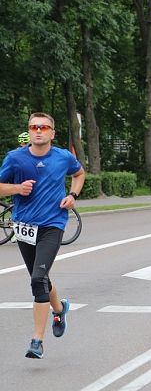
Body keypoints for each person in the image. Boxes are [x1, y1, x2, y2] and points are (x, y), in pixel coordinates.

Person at [0, 112, 85, 359]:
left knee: (38, 278)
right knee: (42, 276)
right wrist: (16, 188)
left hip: (53, 224)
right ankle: (59, 309)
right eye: (34, 127)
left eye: (44, 127)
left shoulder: (63, 157)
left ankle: (37, 340)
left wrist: (73, 196)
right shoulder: (15, 158)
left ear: (52, 133)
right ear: (29, 131)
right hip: (24, 226)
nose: (39, 131)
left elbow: (78, 174)